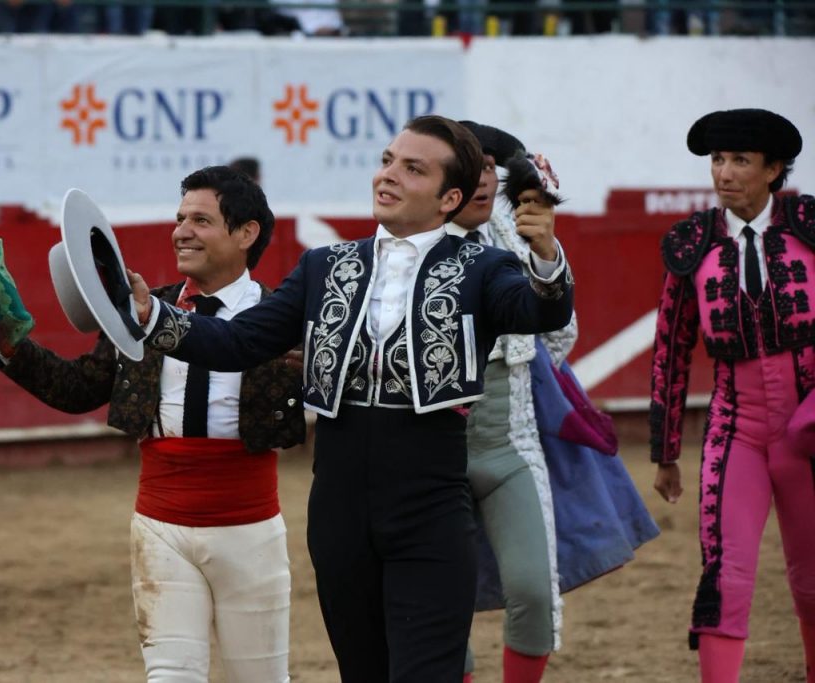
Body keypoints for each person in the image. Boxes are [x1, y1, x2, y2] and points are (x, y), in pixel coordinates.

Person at [128, 115, 575, 681]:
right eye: (387, 161)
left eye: (413, 169)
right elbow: (240, 340)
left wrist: (545, 255)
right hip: (338, 508)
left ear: (449, 199)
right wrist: (152, 315)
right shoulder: (325, 266)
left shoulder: (483, 268)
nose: (388, 175)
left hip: (430, 503)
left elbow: (539, 311)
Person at [0, 166, 305, 682]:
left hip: (251, 530)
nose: (181, 231)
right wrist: (11, 346)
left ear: (246, 233)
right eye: (180, 218)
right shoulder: (142, 311)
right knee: (170, 676)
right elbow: (79, 388)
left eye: (200, 220)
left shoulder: (281, 319)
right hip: (160, 526)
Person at [450, 121, 658, 683]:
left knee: (534, 592)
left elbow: (557, 343)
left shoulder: (518, 238)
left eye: (490, 168)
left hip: (510, 441)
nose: (483, 180)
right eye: (469, 166)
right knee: (440, 602)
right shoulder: (405, 246)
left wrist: (545, 254)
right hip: (429, 450)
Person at [649, 108, 815, 682]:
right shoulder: (693, 243)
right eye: (718, 160)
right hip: (734, 428)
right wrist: (666, 451)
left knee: (813, 580)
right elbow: (671, 346)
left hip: (809, 431)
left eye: (740, 160)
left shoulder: (810, 228)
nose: (724, 172)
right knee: (724, 577)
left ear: (773, 169)